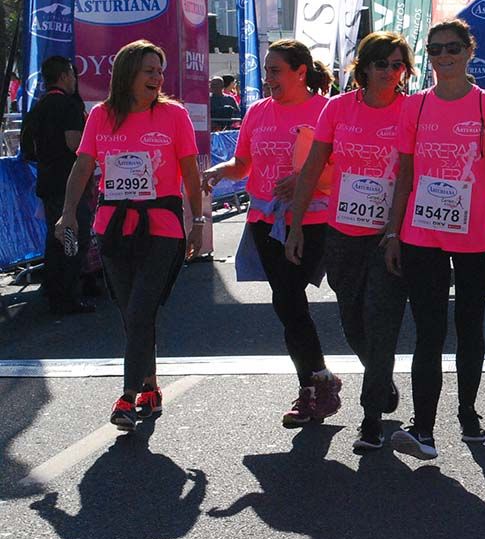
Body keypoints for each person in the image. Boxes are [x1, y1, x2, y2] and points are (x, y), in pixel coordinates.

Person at [383, 18, 485, 460]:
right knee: (428, 332)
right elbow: (404, 173)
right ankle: (423, 429)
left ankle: (467, 411)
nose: (444, 56)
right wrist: (393, 230)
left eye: (453, 48)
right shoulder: (415, 106)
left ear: (469, 51)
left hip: (476, 232)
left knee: (469, 327)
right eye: (436, 50)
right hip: (422, 233)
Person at [55, 40, 204, 431]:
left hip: (162, 228)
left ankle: (126, 396)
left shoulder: (174, 116)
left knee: (140, 310)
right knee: (131, 315)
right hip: (112, 228)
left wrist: (200, 221)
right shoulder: (102, 116)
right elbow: (83, 168)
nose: (157, 78)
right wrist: (68, 212)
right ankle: (150, 386)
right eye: (149, 71)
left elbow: (190, 172)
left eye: (160, 71)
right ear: (127, 74)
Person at [202, 39, 342, 429]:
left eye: (275, 70)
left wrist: (305, 178)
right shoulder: (259, 111)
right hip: (265, 221)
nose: (268, 79)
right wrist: (219, 171)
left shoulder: (325, 109)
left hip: (315, 221)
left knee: (297, 301)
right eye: (266, 71)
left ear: (301, 72)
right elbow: (243, 163)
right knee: (287, 302)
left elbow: (342, 163)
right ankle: (315, 384)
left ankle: (336, 380)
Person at [285, 32, 414, 452]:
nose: (390, 72)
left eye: (397, 65)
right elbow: (312, 168)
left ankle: (371, 417)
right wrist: (298, 223)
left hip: (391, 235)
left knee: (381, 323)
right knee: (353, 323)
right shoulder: (338, 108)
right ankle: (380, 375)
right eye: (382, 64)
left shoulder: (412, 110)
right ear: (364, 67)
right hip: (341, 233)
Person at [19, 56, 94, 315]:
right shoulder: (68, 105)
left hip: (47, 180)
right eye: (73, 75)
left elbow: (27, 148)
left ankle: (54, 291)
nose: (75, 80)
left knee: (55, 239)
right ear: (64, 76)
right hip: (69, 182)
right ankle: (68, 296)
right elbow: (75, 144)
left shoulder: (38, 107)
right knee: (74, 238)